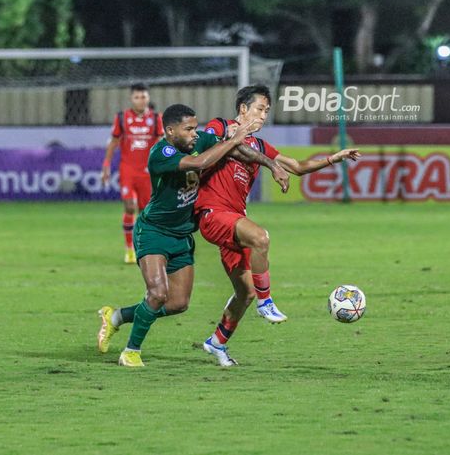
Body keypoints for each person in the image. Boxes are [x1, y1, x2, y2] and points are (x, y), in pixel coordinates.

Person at [95, 104, 289, 367]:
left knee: (178, 303)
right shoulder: (161, 152)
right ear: (170, 131)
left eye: (196, 128)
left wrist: (271, 165)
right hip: (153, 232)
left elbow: (236, 149)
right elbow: (201, 162)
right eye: (188, 129)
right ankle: (131, 351)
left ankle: (115, 317)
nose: (195, 134)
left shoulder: (199, 140)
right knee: (157, 293)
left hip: (182, 235)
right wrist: (233, 138)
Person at [196, 85, 360, 366]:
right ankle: (266, 301)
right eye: (259, 109)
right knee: (261, 237)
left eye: (267, 111)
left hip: (235, 221)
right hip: (212, 213)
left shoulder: (260, 146)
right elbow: (227, 150)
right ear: (243, 109)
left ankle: (217, 343)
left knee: (244, 292)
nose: (263, 115)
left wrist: (333, 159)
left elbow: (296, 166)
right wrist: (271, 166)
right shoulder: (220, 127)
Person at [101, 83, 163, 264]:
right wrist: (106, 166)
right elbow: (113, 142)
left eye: (143, 97)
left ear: (148, 98)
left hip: (148, 173)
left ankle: (143, 247)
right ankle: (129, 249)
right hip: (128, 170)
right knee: (130, 206)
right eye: (137, 97)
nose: (140, 100)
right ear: (131, 99)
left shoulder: (156, 118)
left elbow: (160, 144)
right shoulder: (122, 118)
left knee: (146, 212)